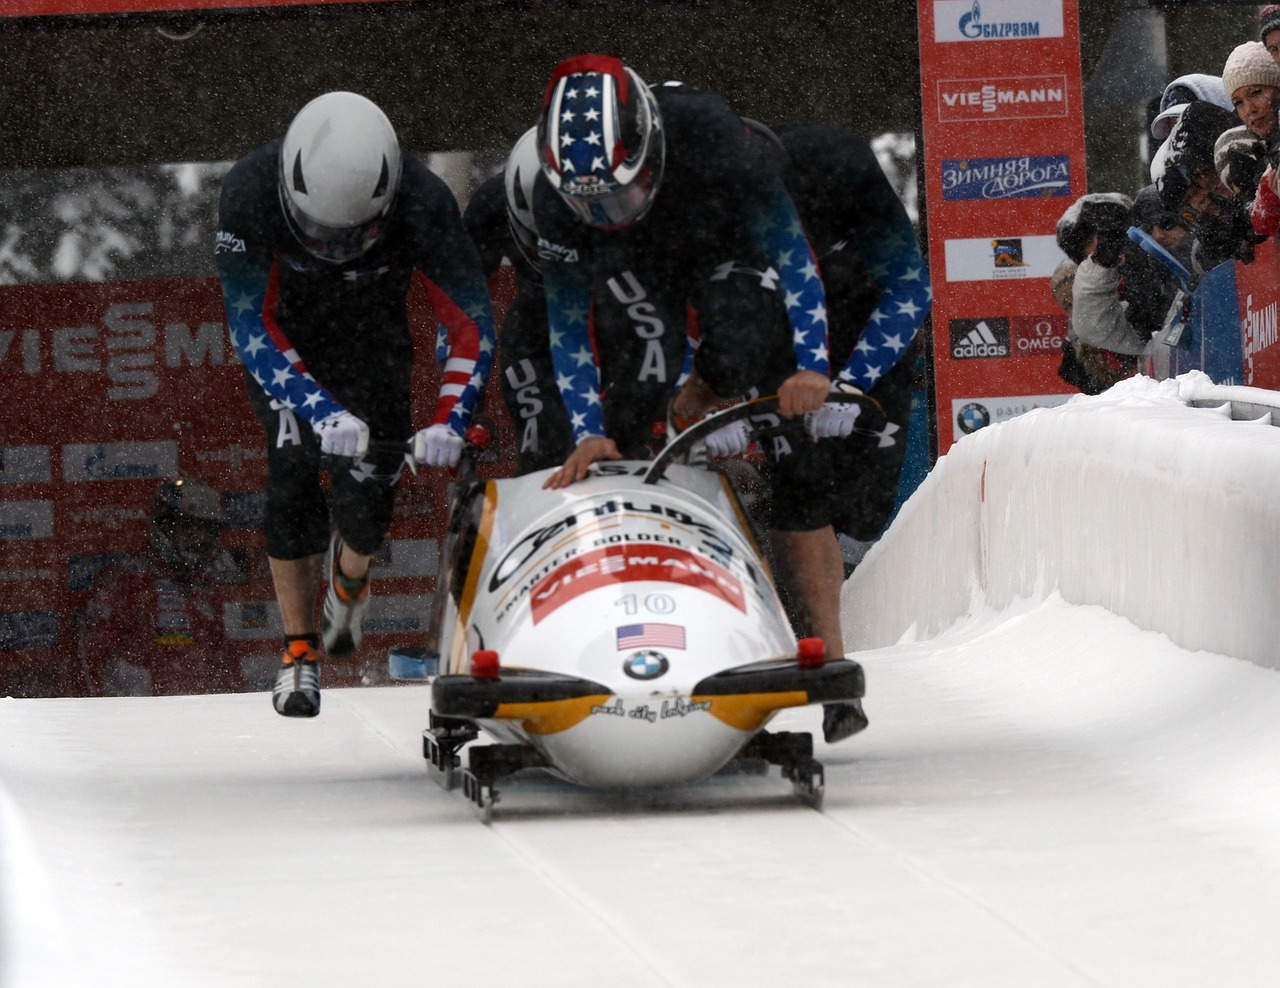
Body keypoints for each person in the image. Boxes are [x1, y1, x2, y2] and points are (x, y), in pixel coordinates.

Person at [532, 56, 868, 742]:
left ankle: (831, 658)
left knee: (780, 417)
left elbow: (792, 259)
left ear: (650, 150)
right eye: (588, 204)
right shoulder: (559, 203)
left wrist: (808, 370)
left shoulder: (717, 144)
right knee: (629, 407)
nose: (603, 213)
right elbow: (569, 327)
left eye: (613, 197)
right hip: (638, 269)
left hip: (727, 246)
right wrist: (592, 429)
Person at [215, 91, 496, 718]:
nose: (334, 248)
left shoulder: (425, 203)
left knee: (367, 507)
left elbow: (470, 323)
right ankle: (297, 652)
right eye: (316, 233)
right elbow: (251, 327)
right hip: (290, 345)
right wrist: (317, 409)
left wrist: (452, 417)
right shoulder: (250, 192)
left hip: (374, 346)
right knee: (290, 471)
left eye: (353, 236)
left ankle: (351, 575)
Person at [463, 128, 572, 473]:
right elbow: (463, 314)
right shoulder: (489, 210)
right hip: (535, 328)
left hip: (618, 324)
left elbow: (670, 298)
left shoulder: (629, 205)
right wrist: (466, 404)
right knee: (544, 447)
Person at [76, 477, 238, 697]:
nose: (196, 539)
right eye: (188, 528)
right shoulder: (129, 578)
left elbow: (224, 664)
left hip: (195, 718)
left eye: (204, 531)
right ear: (166, 526)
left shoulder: (205, 587)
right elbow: (91, 657)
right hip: (138, 721)